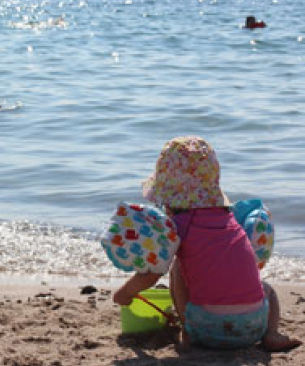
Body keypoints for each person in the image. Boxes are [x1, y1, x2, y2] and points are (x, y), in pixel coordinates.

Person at [113, 136, 301, 352]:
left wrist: (125, 293)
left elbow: (152, 273)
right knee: (267, 289)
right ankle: (271, 333)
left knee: (176, 268)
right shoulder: (230, 219)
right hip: (254, 326)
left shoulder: (179, 226)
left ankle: (188, 333)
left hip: (206, 329)